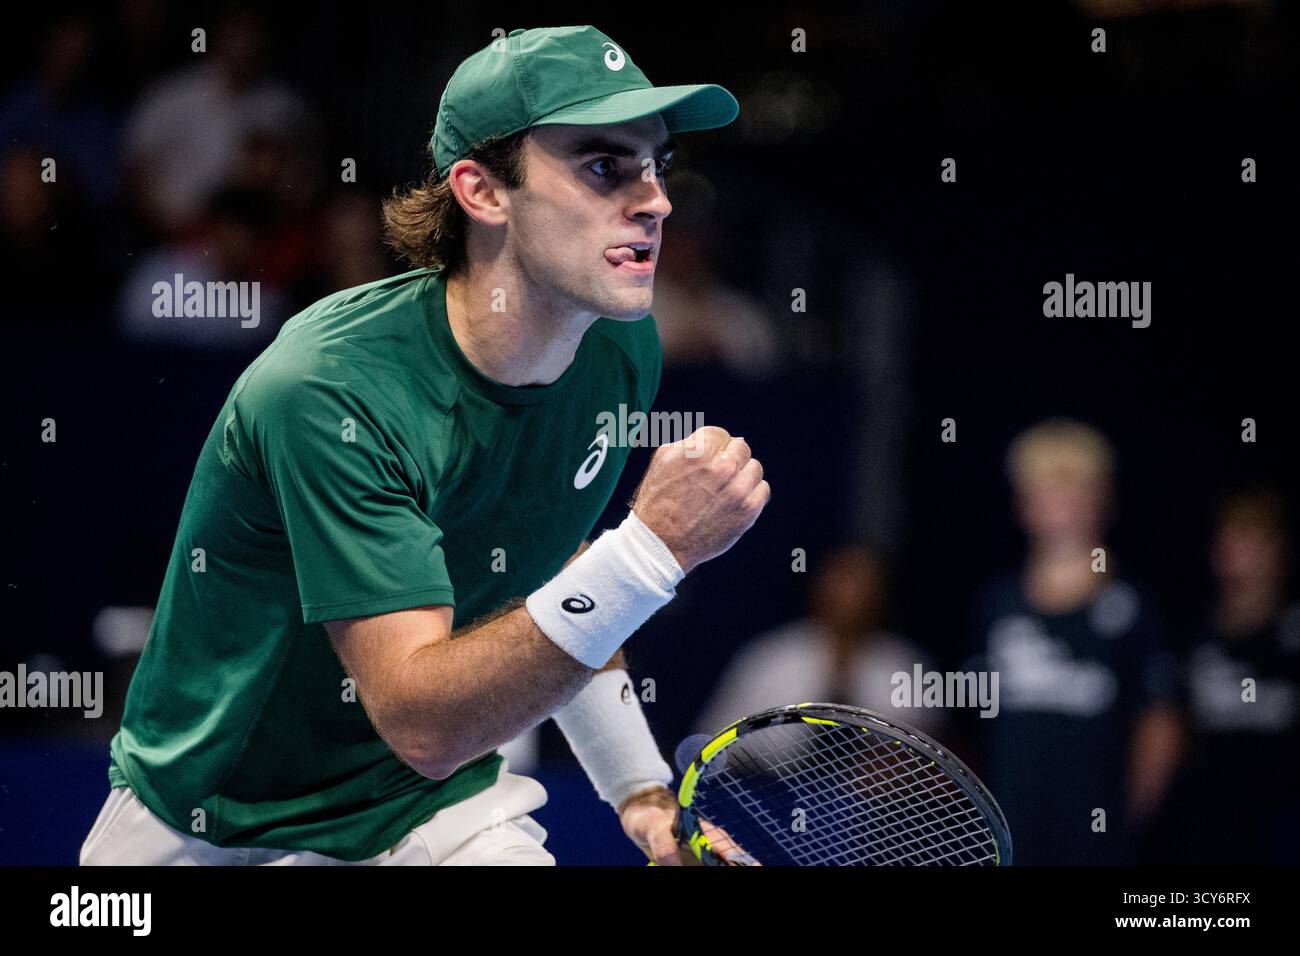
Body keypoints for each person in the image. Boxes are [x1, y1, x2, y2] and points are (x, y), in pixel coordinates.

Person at [81, 25, 768, 867]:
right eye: (603, 167)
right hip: (209, 822)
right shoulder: (329, 390)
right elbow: (421, 721)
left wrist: (644, 796)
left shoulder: (620, 348)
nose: (657, 200)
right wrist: (653, 551)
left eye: (655, 163)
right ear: (481, 192)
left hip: (429, 811)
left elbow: (553, 576)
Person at [969, 419, 1181, 864]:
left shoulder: (1132, 606)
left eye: (1075, 489)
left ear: (1104, 502)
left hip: (1094, 837)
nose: (1061, 505)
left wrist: (1125, 822)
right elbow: (974, 718)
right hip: (1011, 829)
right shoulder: (999, 601)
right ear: (1023, 504)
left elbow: (1160, 723)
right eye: (1046, 489)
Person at [1158, 488, 1300, 863]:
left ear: (1281, 551)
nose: (1243, 561)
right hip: (1202, 834)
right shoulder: (1187, 638)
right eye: (1233, 544)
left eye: (1256, 545)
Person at [694, 545, 942, 736]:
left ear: (882, 596)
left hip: (876, 801)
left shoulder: (905, 665)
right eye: (841, 581)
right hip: (768, 794)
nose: (851, 597)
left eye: (864, 584)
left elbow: (930, 757)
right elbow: (715, 741)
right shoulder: (770, 657)